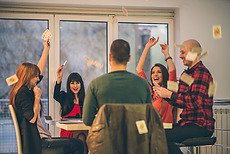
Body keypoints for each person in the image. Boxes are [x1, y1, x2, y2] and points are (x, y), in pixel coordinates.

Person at [9, 40, 84, 154]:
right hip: (39, 143)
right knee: (78, 144)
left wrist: (46, 50)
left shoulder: (23, 90)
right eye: (35, 77)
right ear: (28, 77)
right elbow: (32, 119)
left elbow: (39, 71)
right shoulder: (23, 93)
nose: (38, 79)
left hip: (39, 140)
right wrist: (37, 98)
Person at [154, 39, 215, 154]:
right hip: (186, 123)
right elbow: (180, 100)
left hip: (201, 126)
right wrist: (164, 94)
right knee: (155, 132)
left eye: (183, 52)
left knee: (159, 135)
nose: (180, 56)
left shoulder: (201, 73)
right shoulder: (186, 74)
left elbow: (194, 102)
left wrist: (169, 94)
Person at [83, 39, 152, 126]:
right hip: (136, 138)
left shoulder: (96, 84)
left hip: (107, 138)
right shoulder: (143, 84)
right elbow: (149, 118)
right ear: (129, 58)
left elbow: (87, 120)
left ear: (109, 57)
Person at [136, 36, 177, 123]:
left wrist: (166, 53)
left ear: (164, 74)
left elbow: (172, 70)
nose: (155, 74)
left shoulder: (169, 90)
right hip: (151, 130)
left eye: (159, 72)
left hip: (167, 131)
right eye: (153, 72)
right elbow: (139, 69)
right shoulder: (151, 91)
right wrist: (147, 47)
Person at [53, 65, 88, 153]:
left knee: (82, 137)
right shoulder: (64, 97)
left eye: (77, 83)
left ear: (81, 84)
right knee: (85, 135)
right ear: (69, 85)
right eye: (72, 83)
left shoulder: (85, 99)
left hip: (81, 132)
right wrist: (59, 78)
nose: (75, 86)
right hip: (67, 132)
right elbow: (56, 96)